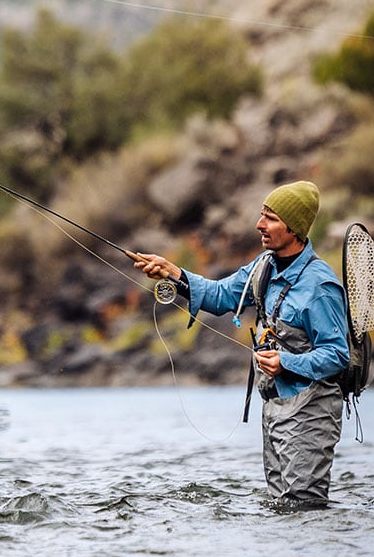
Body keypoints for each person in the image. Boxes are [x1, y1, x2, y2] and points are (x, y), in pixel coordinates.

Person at [131, 181, 350, 510]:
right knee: (282, 507)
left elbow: (337, 354)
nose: (259, 225)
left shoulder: (320, 285)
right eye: (262, 215)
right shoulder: (263, 266)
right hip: (274, 408)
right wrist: (174, 273)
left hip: (312, 413)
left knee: (302, 506)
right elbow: (221, 296)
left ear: (294, 228)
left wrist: (286, 363)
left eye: (271, 218)